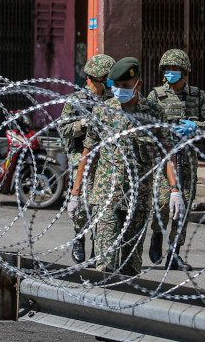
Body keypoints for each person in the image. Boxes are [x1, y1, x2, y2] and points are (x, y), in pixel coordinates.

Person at [67, 57, 183, 277]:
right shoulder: (102, 111)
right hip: (105, 196)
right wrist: (75, 193)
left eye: (126, 86)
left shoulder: (153, 113)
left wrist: (175, 190)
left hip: (138, 198)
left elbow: (167, 153)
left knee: (130, 264)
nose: (120, 91)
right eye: (116, 86)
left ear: (138, 85)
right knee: (105, 262)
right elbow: (88, 153)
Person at [147, 48, 205, 269]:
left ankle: (174, 254)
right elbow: (146, 124)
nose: (171, 73)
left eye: (175, 69)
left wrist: (195, 126)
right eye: (167, 69)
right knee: (161, 202)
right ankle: (157, 234)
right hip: (163, 157)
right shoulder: (156, 95)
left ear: (184, 71)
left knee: (183, 206)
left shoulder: (197, 96)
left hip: (187, 158)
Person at [58, 53, 115, 263]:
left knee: (100, 204)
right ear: (97, 77)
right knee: (81, 202)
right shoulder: (76, 100)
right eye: (107, 75)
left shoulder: (112, 100)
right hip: (80, 156)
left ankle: (97, 245)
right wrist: (81, 125)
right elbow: (62, 129)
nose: (111, 79)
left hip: (106, 158)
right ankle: (79, 237)